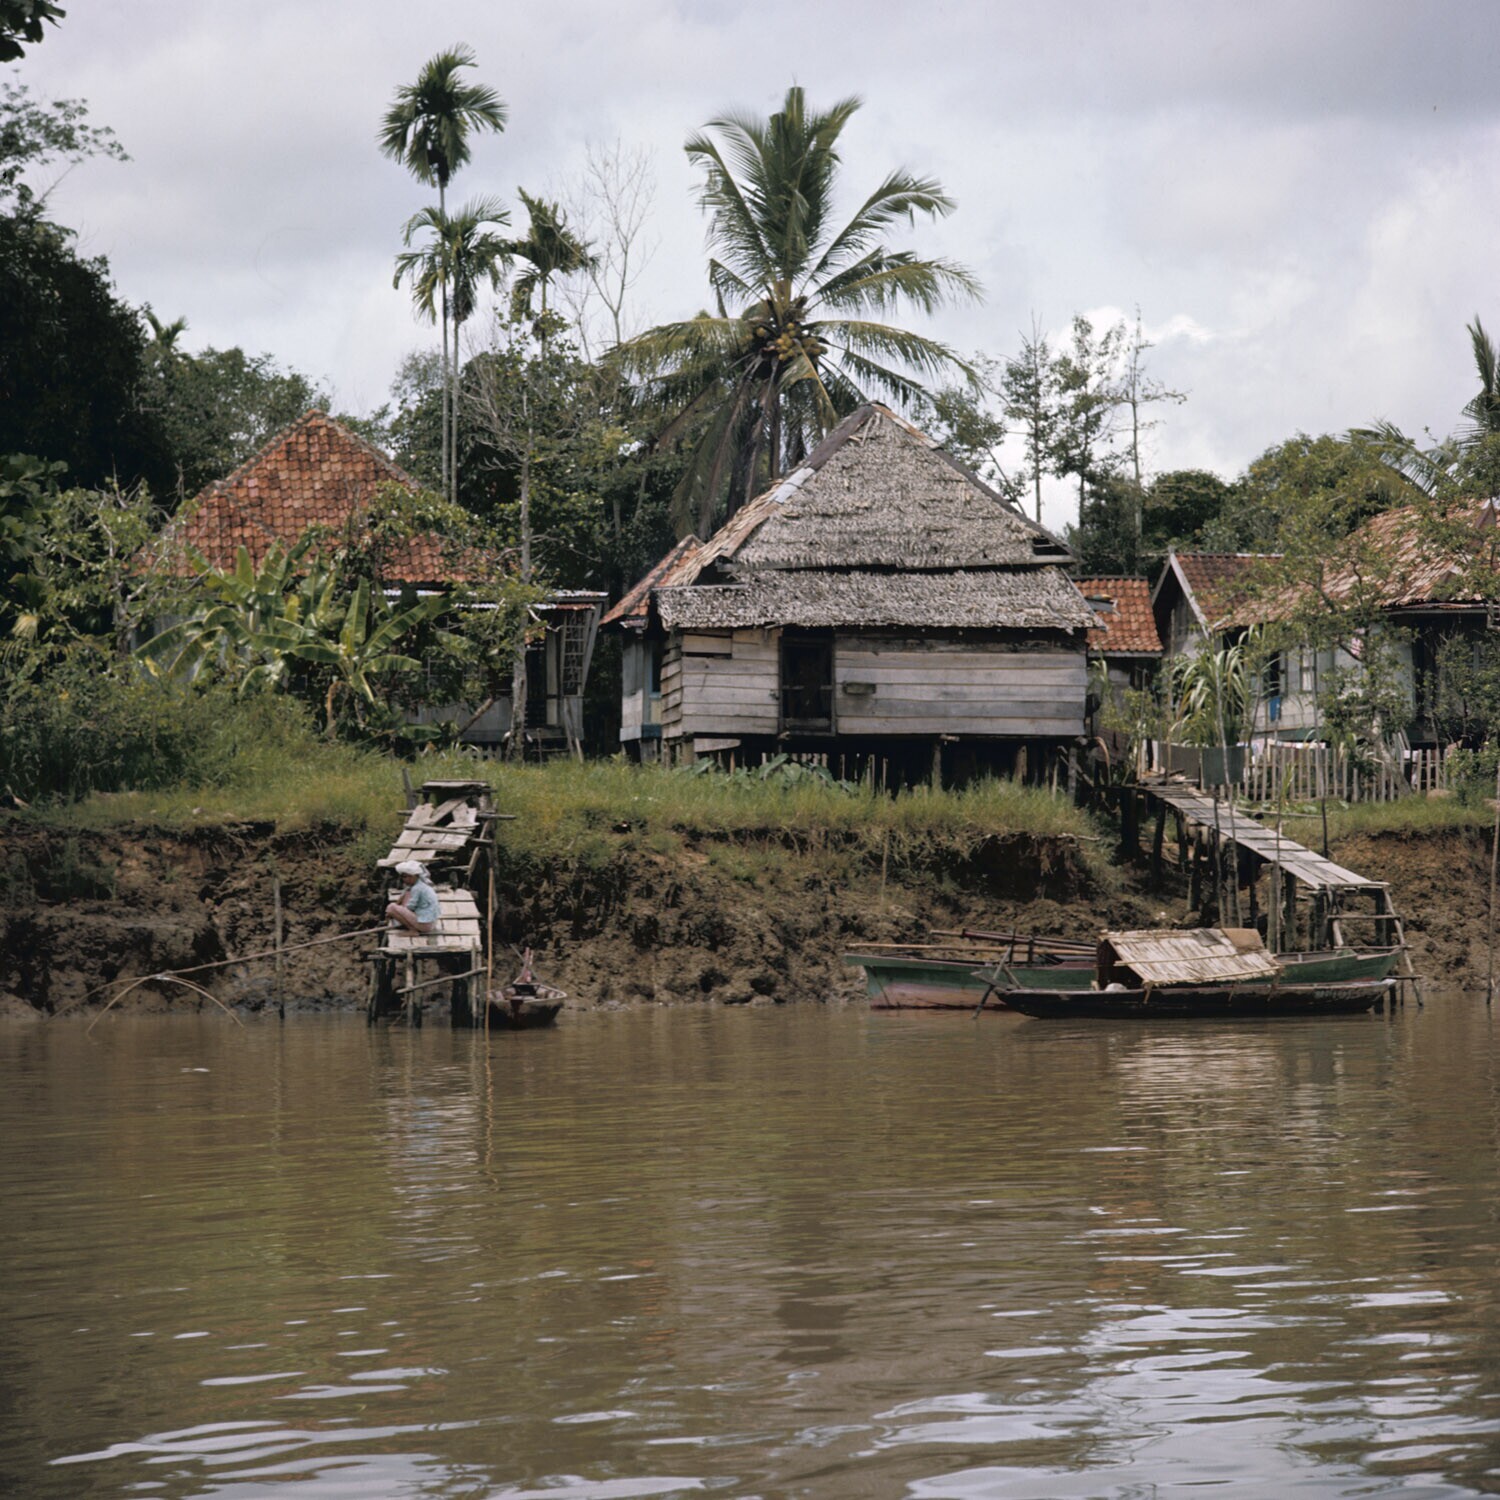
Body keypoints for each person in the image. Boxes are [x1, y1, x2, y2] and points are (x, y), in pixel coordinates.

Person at [387, 860, 440, 935]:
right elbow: (402, 899)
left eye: (405, 877)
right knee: (406, 895)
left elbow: (411, 907)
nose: (403, 879)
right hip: (431, 923)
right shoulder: (421, 885)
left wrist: (396, 913)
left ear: (413, 876)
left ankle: (412, 930)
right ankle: (411, 924)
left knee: (391, 908)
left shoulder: (417, 888)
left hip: (425, 925)